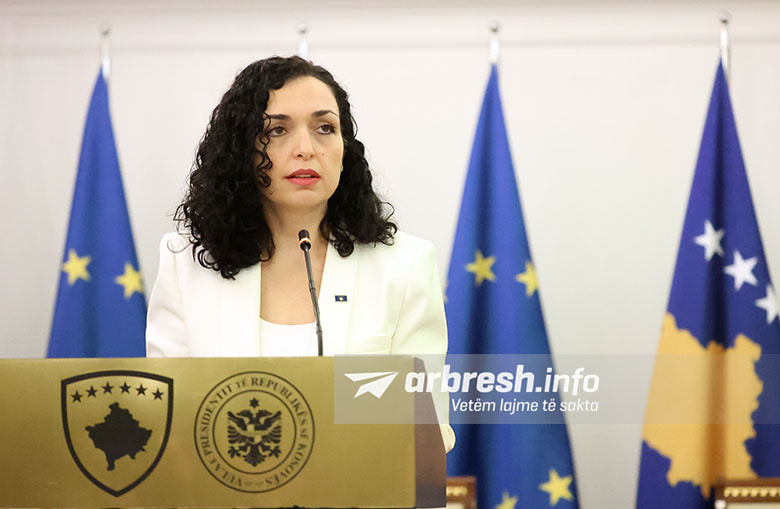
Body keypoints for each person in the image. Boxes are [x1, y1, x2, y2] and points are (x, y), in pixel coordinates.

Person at [145, 56, 453, 451]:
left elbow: (426, 430)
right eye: (277, 130)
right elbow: (166, 420)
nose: (306, 149)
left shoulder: (404, 266)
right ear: (242, 149)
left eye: (325, 128)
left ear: (345, 150)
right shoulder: (184, 265)